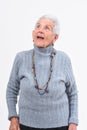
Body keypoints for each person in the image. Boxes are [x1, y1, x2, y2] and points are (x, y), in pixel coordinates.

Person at [6, 14, 78, 130]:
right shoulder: (21, 58)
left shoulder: (64, 59)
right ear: (33, 33)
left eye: (46, 28)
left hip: (60, 126)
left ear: (55, 37)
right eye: (38, 26)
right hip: (26, 125)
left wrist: (73, 122)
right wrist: (13, 118)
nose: (40, 30)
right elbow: (11, 90)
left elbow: (72, 93)